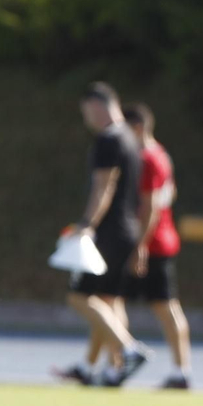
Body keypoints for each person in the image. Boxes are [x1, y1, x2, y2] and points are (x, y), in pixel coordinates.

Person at [54, 83, 149, 386]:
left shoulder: (109, 139)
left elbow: (104, 186)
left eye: (87, 113)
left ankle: (128, 350)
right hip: (127, 230)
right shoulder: (131, 139)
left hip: (108, 232)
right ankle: (114, 367)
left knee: (81, 297)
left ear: (97, 106)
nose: (87, 120)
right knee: (109, 300)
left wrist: (86, 223)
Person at [121, 103, 192, 390]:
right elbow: (170, 194)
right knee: (119, 301)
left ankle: (180, 370)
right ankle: (180, 369)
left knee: (162, 306)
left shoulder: (148, 158)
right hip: (159, 237)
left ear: (137, 127)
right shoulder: (161, 154)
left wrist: (140, 244)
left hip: (152, 241)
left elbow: (150, 206)